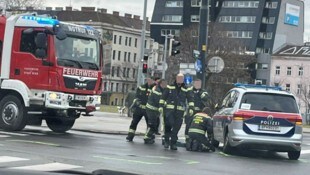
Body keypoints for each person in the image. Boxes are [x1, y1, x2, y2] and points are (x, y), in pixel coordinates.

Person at [159, 73, 194, 150]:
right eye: (179, 78)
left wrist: (191, 108)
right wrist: (161, 106)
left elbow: (190, 99)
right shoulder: (170, 87)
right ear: (176, 78)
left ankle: (173, 143)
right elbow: (163, 97)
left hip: (180, 112)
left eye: (181, 78)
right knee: (168, 126)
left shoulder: (186, 89)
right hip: (169, 111)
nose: (180, 80)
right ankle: (167, 141)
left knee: (176, 128)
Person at [126, 77, 154, 142]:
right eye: (148, 80)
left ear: (153, 81)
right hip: (139, 108)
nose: (149, 81)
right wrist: (137, 102)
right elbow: (136, 96)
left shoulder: (154, 88)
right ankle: (130, 136)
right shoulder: (141, 87)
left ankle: (149, 137)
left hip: (148, 110)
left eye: (150, 80)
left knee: (150, 124)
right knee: (134, 122)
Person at [185, 79, 209, 143]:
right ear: (193, 83)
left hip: (199, 112)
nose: (198, 85)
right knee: (188, 124)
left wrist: (199, 92)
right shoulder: (189, 90)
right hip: (191, 111)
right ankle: (187, 138)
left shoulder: (203, 91)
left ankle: (198, 139)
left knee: (199, 125)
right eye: (196, 83)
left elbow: (206, 98)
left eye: (199, 84)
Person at [144, 79, 167, 144]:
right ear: (161, 84)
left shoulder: (159, 89)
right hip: (151, 109)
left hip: (154, 110)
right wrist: (165, 104)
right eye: (164, 84)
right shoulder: (158, 91)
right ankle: (147, 137)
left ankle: (150, 136)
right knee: (152, 124)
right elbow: (159, 101)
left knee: (155, 124)